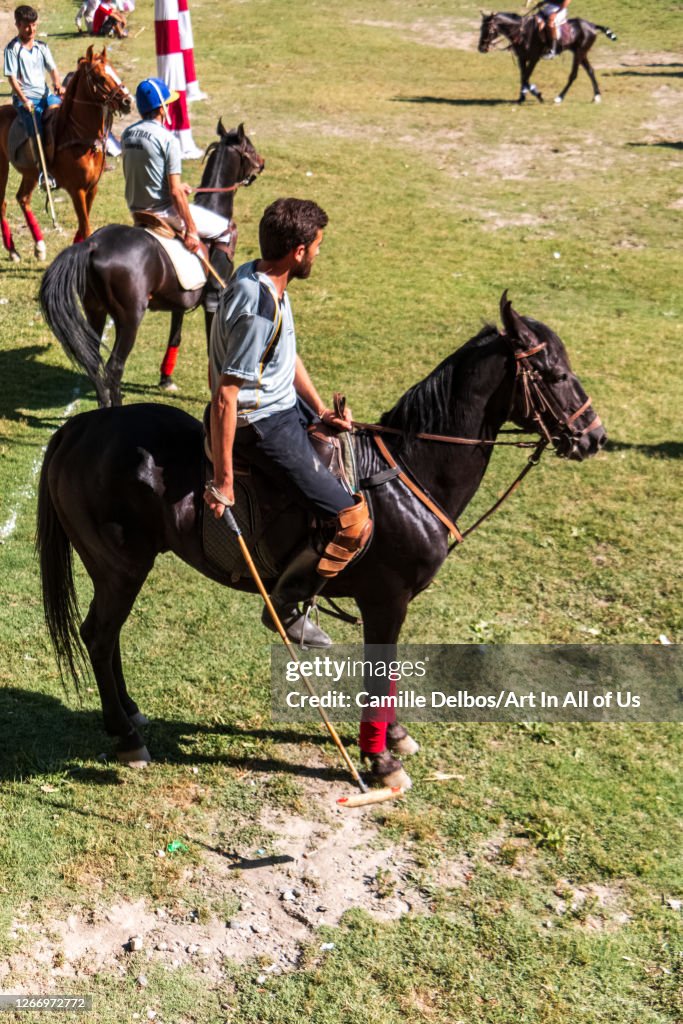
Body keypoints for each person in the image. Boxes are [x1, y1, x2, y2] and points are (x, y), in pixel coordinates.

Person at [204, 198, 372, 647]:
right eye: (317, 246)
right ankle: (283, 607)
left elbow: (285, 354)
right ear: (298, 251)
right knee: (352, 522)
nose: (319, 253)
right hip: (261, 424)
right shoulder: (260, 308)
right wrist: (224, 481)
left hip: (285, 408)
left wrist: (319, 411)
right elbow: (225, 396)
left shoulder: (258, 275)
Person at [121, 77, 231, 255]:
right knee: (227, 230)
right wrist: (191, 230)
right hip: (163, 214)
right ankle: (217, 283)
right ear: (162, 108)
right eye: (168, 103)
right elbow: (175, 192)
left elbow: (146, 171)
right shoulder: (168, 139)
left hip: (136, 211)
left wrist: (179, 186)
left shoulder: (127, 134)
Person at [4, 5, 64, 148]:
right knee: (36, 131)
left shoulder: (42, 46)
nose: (31, 30)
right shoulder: (12, 49)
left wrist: (57, 84)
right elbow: (12, 79)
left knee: (67, 115)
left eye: (34, 25)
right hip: (26, 99)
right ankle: (40, 165)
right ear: (18, 25)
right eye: (27, 26)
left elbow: (53, 69)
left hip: (46, 96)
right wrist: (24, 100)